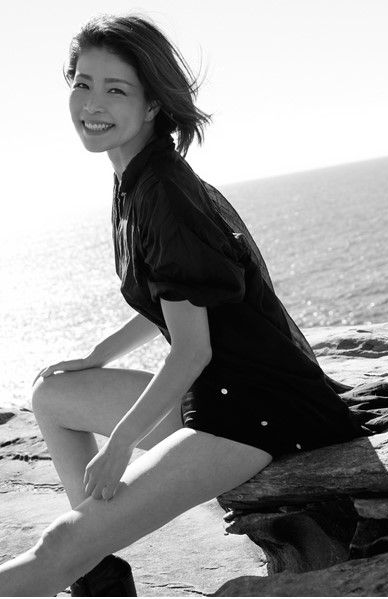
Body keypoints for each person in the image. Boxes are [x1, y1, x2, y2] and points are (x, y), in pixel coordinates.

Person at [0, 12, 368, 597]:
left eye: (116, 89)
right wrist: (96, 356)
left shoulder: (164, 194)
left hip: (261, 415)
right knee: (52, 393)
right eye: (83, 83)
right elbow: (175, 300)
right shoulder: (134, 175)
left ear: (152, 104)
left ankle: (77, 559)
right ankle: (99, 573)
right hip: (216, 393)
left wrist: (121, 445)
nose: (92, 103)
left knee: (57, 547)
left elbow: (191, 348)